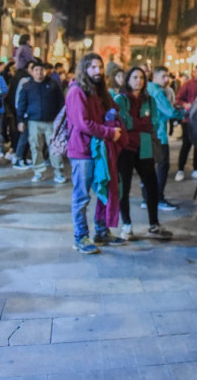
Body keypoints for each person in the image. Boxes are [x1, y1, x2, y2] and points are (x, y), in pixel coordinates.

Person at [66, 53, 124, 254]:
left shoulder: (100, 92)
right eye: (93, 67)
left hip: (100, 150)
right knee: (82, 196)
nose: (98, 71)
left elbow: (113, 111)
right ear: (84, 69)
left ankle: (101, 231)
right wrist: (109, 132)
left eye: (100, 67)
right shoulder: (76, 91)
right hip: (82, 151)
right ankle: (80, 236)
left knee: (103, 191)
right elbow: (83, 123)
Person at [114, 67, 171, 241]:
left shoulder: (150, 100)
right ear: (128, 80)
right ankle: (127, 225)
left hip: (145, 146)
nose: (138, 80)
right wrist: (140, 122)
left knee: (151, 185)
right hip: (125, 148)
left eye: (141, 78)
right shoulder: (120, 99)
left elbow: (152, 123)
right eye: (135, 77)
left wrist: (135, 123)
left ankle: (154, 224)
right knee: (124, 186)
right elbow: (123, 122)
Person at [16, 61, 66, 183]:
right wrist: (21, 120)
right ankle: (38, 171)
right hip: (33, 122)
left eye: (41, 70)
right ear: (32, 72)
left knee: (54, 147)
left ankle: (58, 172)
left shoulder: (53, 85)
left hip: (51, 122)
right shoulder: (27, 86)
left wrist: (61, 119)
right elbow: (22, 104)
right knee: (35, 147)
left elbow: (61, 102)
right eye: (36, 70)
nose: (39, 73)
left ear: (45, 71)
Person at [146, 66, 178, 210]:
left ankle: (147, 198)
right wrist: (187, 113)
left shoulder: (147, 88)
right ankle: (158, 198)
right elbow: (169, 112)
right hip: (159, 135)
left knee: (148, 168)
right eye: (164, 76)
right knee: (162, 167)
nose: (167, 79)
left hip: (148, 134)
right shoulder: (158, 92)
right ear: (155, 76)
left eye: (168, 76)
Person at [174, 64, 197, 181]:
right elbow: (178, 99)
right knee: (186, 145)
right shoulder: (187, 85)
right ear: (194, 72)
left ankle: (196, 169)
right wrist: (185, 105)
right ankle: (180, 169)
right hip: (188, 120)